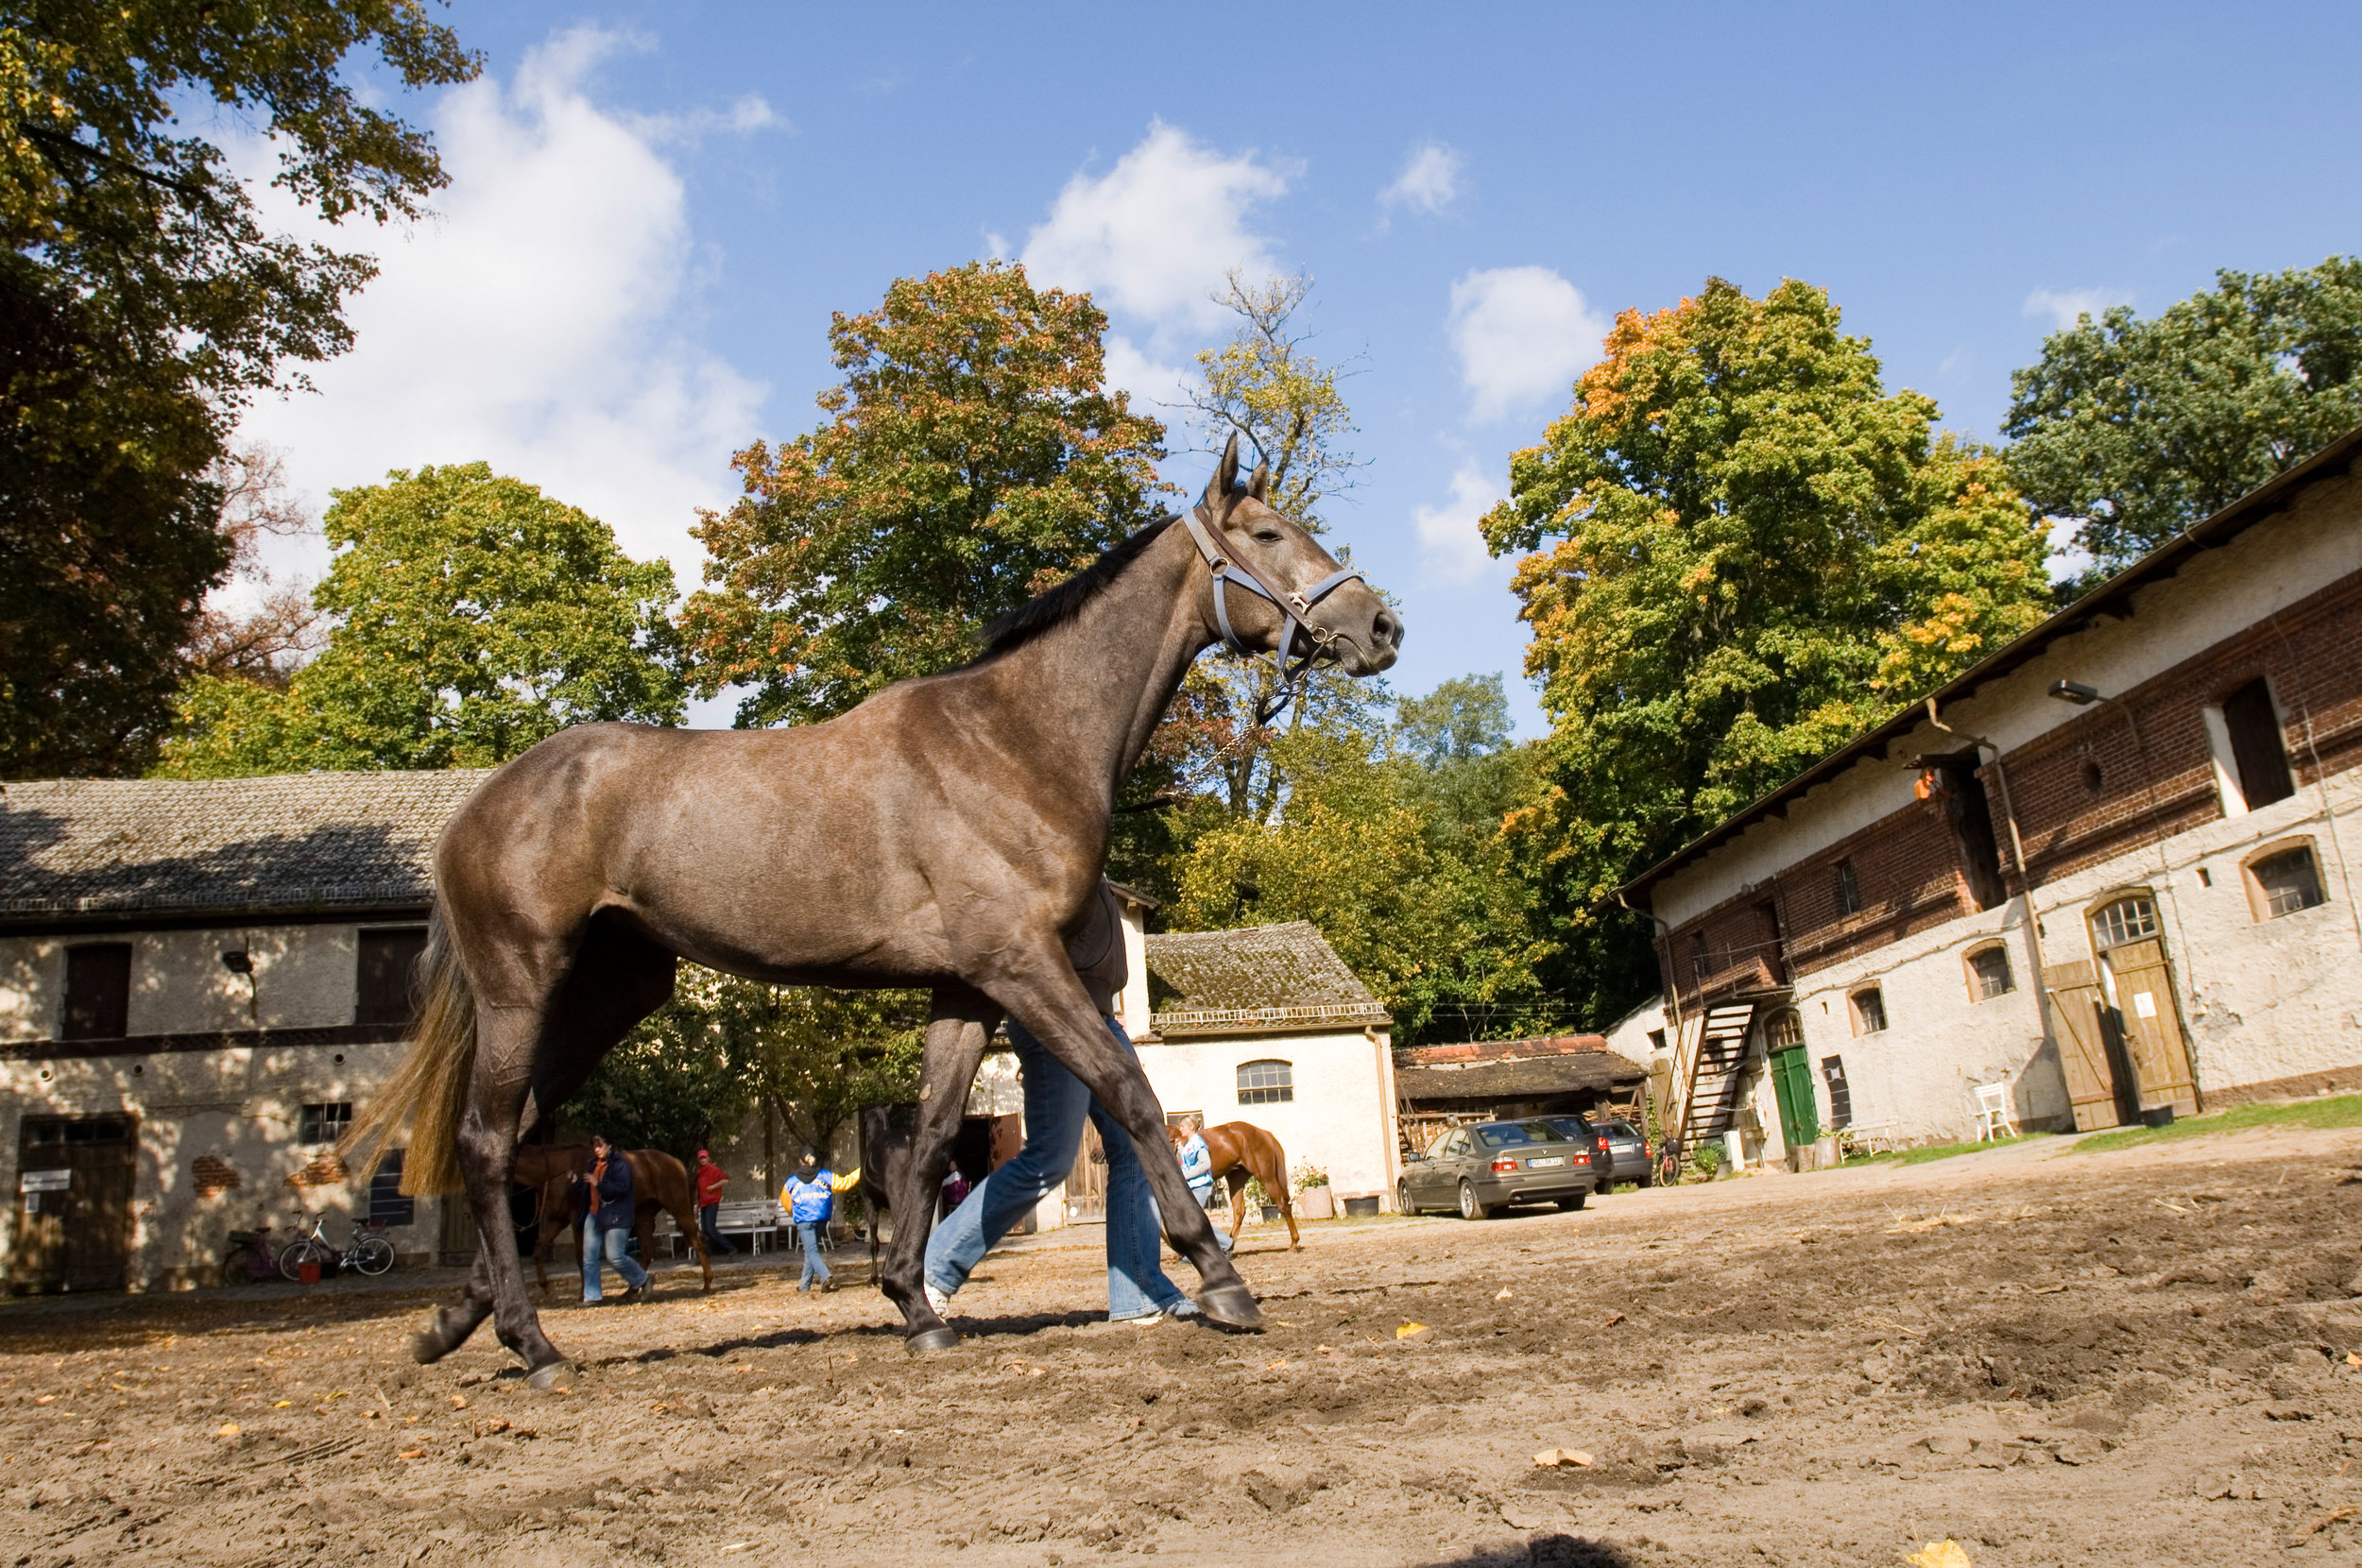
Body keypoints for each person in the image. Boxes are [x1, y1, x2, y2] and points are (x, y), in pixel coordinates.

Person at [923, 880, 1204, 1325]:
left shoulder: (1095, 869)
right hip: (1054, 1014)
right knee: (1049, 1158)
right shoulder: (1053, 867)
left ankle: (1138, 1292)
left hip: (1100, 1020)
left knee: (1138, 1149)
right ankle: (935, 1271)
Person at [573, 1133, 648, 1305]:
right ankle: (592, 1297)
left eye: (600, 1145)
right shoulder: (593, 1164)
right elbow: (587, 1188)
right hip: (594, 1214)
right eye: (595, 1146)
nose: (597, 1149)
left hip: (616, 1215)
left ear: (609, 1145)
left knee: (615, 1257)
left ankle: (643, 1280)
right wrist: (576, 1182)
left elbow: (621, 1188)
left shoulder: (620, 1164)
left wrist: (598, 1184)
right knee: (589, 1257)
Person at [780, 1151, 859, 1292]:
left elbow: (786, 1201)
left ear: (801, 1161)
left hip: (804, 1220)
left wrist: (794, 1213)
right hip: (822, 1218)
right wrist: (860, 1171)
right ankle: (804, 1285)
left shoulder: (792, 1180)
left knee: (811, 1251)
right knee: (811, 1250)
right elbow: (844, 1184)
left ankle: (826, 1277)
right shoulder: (825, 1175)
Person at [1174, 1118, 1234, 1253]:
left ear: (1190, 1127)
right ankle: (1194, 1252)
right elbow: (1189, 1162)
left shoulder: (1198, 1143)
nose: (1180, 1129)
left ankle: (1226, 1243)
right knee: (1192, 1220)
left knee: (1195, 1220)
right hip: (1194, 1186)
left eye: (1182, 1126)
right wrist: (1180, 1150)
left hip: (1201, 1186)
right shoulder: (1190, 1144)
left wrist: (1186, 1176)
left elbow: (1206, 1164)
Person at [693, 1149, 737, 1256]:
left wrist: (712, 1187)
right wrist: (698, 1205)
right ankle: (706, 1254)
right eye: (701, 1158)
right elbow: (699, 1189)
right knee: (705, 1231)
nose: (703, 1160)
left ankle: (731, 1248)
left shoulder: (713, 1169)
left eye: (704, 1157)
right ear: (698, 1160)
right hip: (703, 1204)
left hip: (712, 1203)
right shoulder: (699, 1172)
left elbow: (725, 1180)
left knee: (710, 1229)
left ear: (708, 1158)